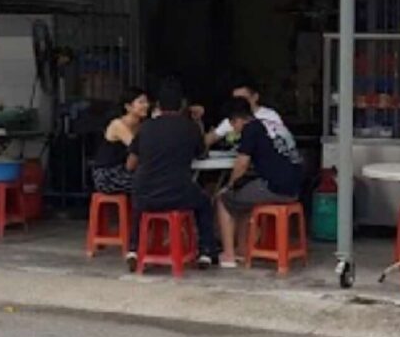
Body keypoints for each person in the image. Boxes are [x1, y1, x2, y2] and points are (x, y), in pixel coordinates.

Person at [128, 78, 215, 268]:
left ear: (158, 105)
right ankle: (206, 252)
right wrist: (198, 121)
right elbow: (201, 153)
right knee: (205, 202)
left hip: (147, 195)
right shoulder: (189, 127)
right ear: (183, 104)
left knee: (138, 197)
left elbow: (130, 164)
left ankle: (133, 249)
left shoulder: (146, 127)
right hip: (178, 194)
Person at [212, 97, 305, 261]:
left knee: (223, 199)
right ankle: (242, 249)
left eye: (233, 125)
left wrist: (229, 185)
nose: (234, 129)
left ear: (238, 120)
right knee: (244, 197)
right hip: (295, 187)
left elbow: (241, 163)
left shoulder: (250, 129)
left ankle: (228, 255)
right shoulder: (272, 125)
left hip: (275, 188)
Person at [92, 88, 149, 200]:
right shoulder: (118, 124)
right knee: (148, 184)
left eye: (146, 102)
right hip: (107, 175)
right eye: (141, 102)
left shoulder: (141, 126)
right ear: (128, 107)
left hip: (126, 171)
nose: (146, 105)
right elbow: (138, 148)